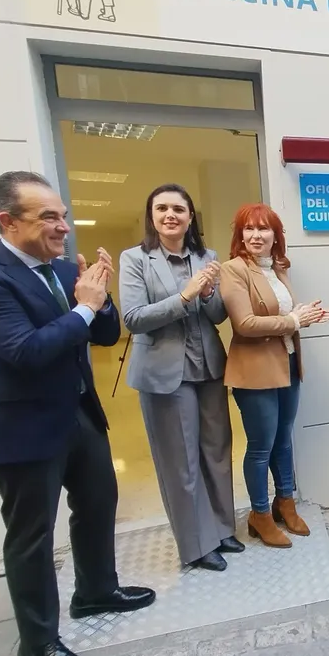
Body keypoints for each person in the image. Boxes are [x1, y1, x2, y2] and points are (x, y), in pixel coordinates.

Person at [0, 171, 155, 656]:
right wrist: (85, 305)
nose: (64, 227)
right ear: (8, 221)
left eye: (62, 215)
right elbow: (27, 351)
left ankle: (96, 591)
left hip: (77, 412)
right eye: (48, 217)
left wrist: (101, 298)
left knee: (98, 503)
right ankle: (38, 642)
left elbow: (104, 335)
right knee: (32, 535)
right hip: (20, 425)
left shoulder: (64, 271)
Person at [119, 184, 241, 573]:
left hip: (208, 367)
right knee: (181, 462)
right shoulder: (135, 259)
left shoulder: (208, 257)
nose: (170, 215)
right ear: (152, 216)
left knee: (217, 452)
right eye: (162, 209)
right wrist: (186, 296)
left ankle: (222, 529)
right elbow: (134, 318)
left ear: (190, 218)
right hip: (164, 373)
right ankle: (196, 544)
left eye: (178, 209)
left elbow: (218, 314)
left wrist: (207, 295)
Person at [219, 204, 329, 549]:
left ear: (275, 236)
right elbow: (245, 324)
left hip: (288, 363)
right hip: (254, 371)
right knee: (261, 447)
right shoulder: (233, 270)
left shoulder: (278, 267)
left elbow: (286, 315)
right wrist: (295, 320)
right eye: (249, 229)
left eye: (264, 229)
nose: (256, 236)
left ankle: (285, 503)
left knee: (284, 440)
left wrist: (307, 315)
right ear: (240, 235)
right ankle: (259, 514)